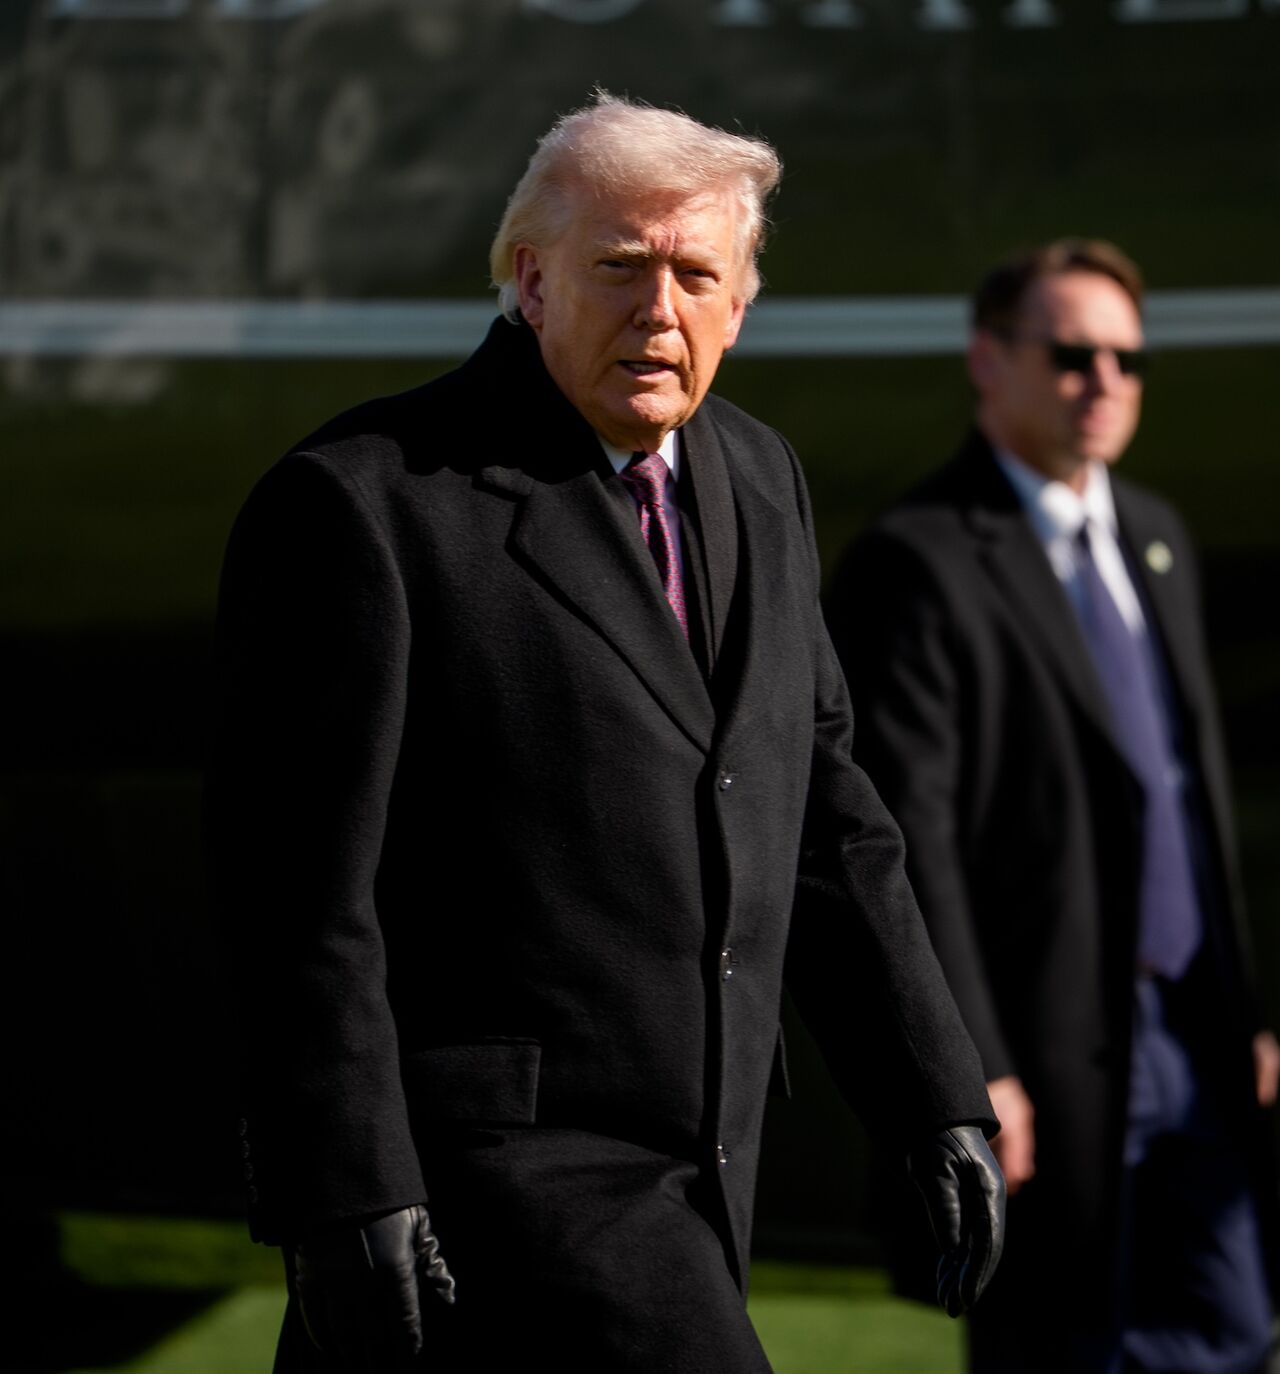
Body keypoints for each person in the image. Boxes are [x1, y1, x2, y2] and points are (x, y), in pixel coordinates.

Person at [205, 93, 1004, 1373]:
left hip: (707, 1169)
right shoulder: (363, 507)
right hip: (491, 1183)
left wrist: (929, 1088)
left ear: (740, 305)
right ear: (530, 281)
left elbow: (823, 814)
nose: (660, 310)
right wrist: (343, 1187)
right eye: (618, 268)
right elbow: (299, 898)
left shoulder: (759, 479)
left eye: (697, 274)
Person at [828, 238, 1279, 1374]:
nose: (1104, 384)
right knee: (1059, 1347)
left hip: (1191, 1036)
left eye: (1127, 360)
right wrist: (967, 1061)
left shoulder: (1155, 535)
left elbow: (1184, 796)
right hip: (1042, 1055)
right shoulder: (915, 560)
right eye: (1072, 354)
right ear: (987, 359)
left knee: (1229, 1330)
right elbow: (905, 838)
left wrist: (1237, 1009)